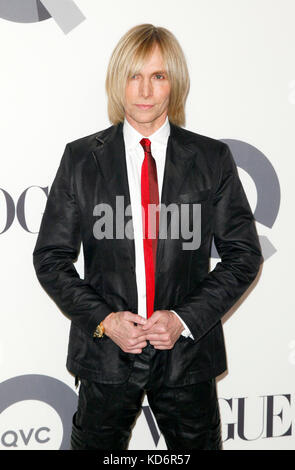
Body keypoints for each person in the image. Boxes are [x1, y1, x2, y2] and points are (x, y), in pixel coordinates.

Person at [33, 24, 262, 450]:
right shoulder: (81, 159)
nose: (145, 90)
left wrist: (183, 319)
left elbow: (244, 256)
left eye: (158, 76)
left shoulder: (212, 159)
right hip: (106, 357)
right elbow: (50, 258)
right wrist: (105, 321)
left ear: (175, 84)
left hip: (186, 360)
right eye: (134, 75)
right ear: (117, 82)